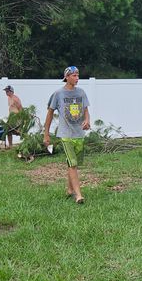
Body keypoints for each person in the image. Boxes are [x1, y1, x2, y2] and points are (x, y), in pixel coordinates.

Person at [44, 66, 91, 203]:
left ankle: (70, 189)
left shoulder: (81, 93)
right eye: (74, 76)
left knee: (73, 164)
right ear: (67, 77)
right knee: (73, 164)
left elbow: (86, 110)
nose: (77, 78)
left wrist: (87, 121)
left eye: (78, 75)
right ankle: (78, 195)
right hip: (65, 134)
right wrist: (46, 134)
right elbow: (50, 114)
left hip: (79, 134)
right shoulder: (58, 94)